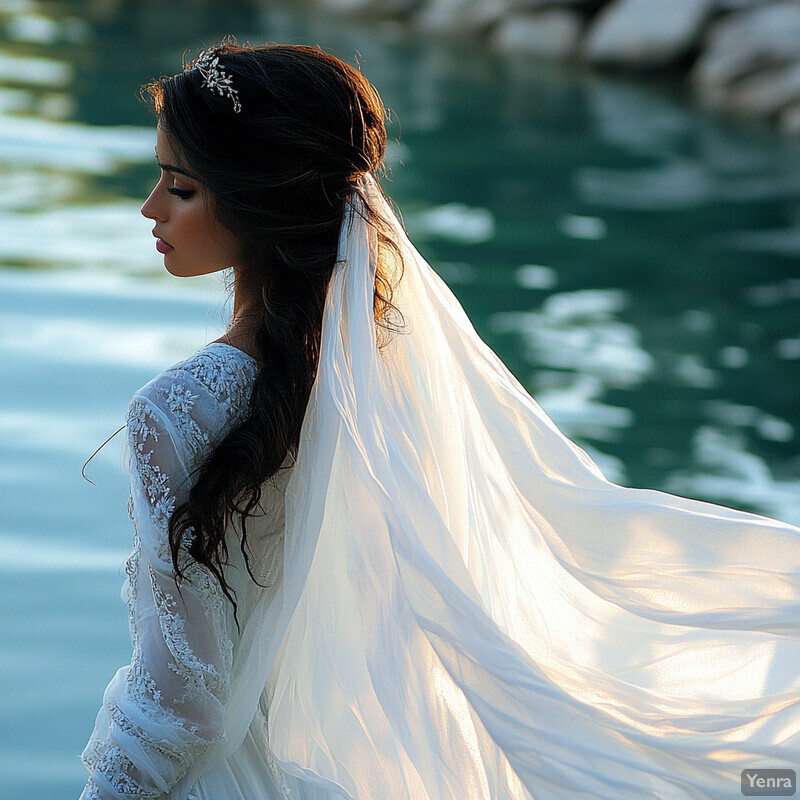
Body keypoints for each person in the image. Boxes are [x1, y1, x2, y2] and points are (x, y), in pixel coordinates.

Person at [79, 40, 800, 800]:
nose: (150, 208)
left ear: (256, 201)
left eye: (179, 187)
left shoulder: (177, 410)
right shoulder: (385, 372)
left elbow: (184, 706)